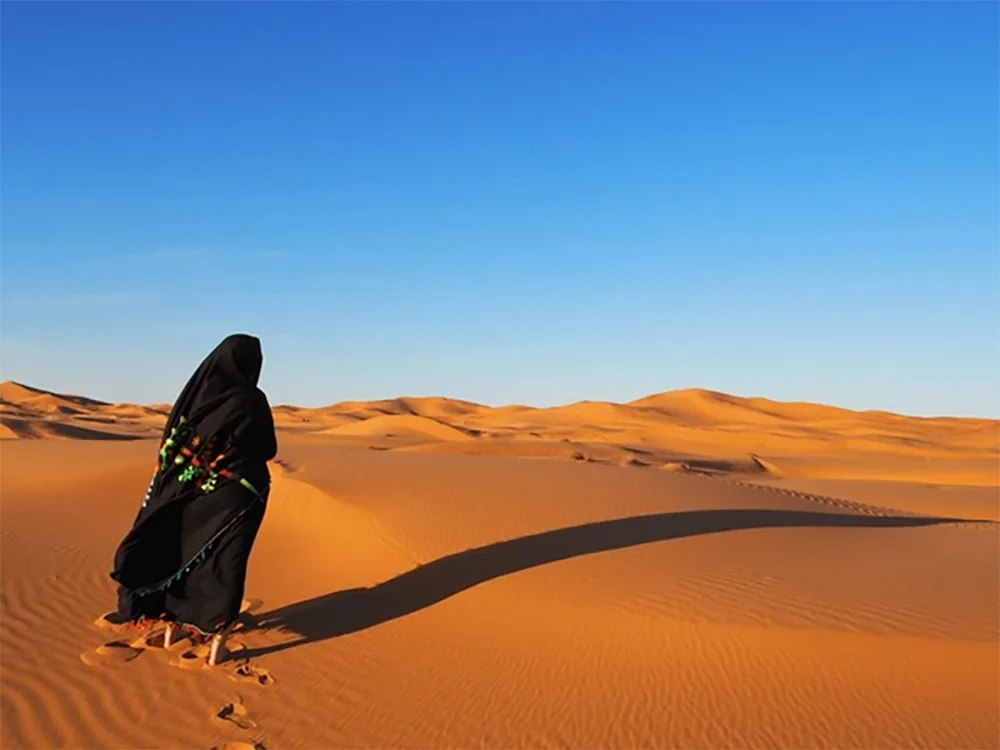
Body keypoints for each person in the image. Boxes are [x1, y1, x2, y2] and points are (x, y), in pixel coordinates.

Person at [110, 333, 277, 665]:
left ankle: (173, 623)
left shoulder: (195, 399)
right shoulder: (250, 399)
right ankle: (216, 637)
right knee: (228, 562)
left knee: (182, 554)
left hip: (188, 495)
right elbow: (266, 448)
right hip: (239, 496)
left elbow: (174, 448)